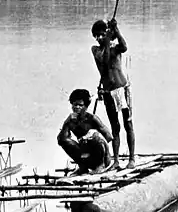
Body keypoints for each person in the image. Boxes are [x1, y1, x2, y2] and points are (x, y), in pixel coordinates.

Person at [91, 17, 136, 168]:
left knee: (128, 124)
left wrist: (116, 30)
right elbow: (104, 60)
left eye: (101, 34)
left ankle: (131, 160)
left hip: (122, 89)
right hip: (108, 91)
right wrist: (108, 38)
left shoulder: (115, 47)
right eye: (96, 36)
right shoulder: (96, 50)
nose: (98, 38)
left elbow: (124, 47)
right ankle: (116, 161)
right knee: (115, 127)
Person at [57, 88, 114, 174]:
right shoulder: (71, 120)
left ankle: (100, 166)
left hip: (101, 157)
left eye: (80, 105)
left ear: (86, 106)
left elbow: (109, 137)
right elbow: (61, 139)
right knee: (64, 140)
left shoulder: (92, 119)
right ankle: (82, 167)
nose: (77, 107)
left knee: (95, 138)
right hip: (84, 156)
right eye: (74, 104)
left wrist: (93, 134)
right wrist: (66, 123)